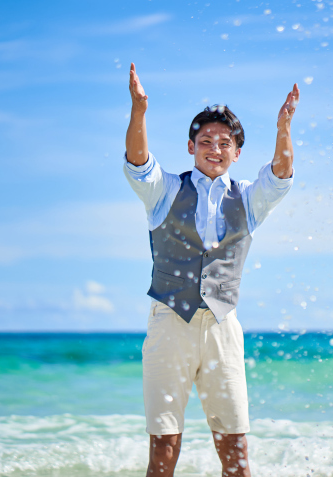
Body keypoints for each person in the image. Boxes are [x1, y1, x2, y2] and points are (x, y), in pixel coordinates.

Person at [123, 63, 299, 476]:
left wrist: (283, 127)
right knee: (163, 449)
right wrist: (138, 112)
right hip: (170, 323)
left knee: (235, 451)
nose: (214, 149)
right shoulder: (165, 191)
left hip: (222, 326)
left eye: (224, 143)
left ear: (237, 152)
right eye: (206, 141)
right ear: (191, 147)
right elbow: (137, 162)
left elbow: (281, 175)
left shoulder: (249, 200)